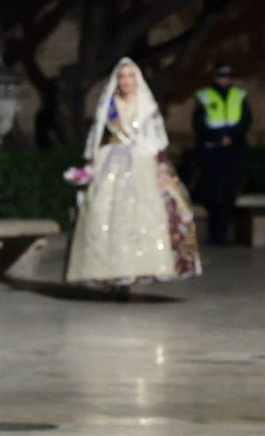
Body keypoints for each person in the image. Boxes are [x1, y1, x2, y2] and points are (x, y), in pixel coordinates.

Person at [65, 58, 200, 297]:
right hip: (111, 164)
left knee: (140, 218)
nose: (126, 81)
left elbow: (156, 142)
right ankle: (112, 276)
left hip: (141, 164)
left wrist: (161, 171)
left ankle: (131, 275)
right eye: (122, 76)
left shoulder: (146, 105)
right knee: (104, 215)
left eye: (130, 76)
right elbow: (98, 137)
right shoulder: (109, 105)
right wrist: (89, 168)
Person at [193, 63, 251, 245]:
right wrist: (218, 138)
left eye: (228, 76)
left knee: (228, 192)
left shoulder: (239, 96)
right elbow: (198, 124)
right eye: (221, 76)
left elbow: (246, 121)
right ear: (215, 78)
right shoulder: (204, 96)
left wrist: (231, 137)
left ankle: (222, 233)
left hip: (233, 150)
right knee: (211, 190)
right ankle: (214, 231)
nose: (225, 80)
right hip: (212, 149)